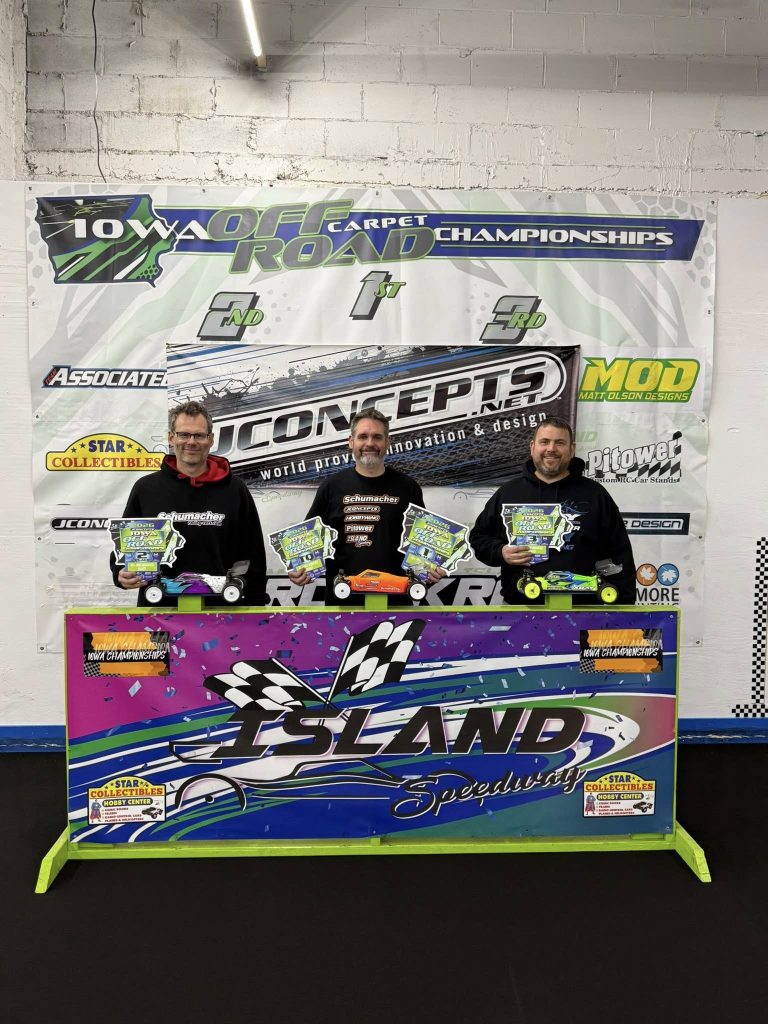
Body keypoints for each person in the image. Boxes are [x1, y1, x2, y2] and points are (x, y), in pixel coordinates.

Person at [112, 400, 267, 606]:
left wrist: (255, 607)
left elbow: (254, 555)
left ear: (210, 439)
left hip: (222, 613)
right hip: (160, 613)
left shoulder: (235, 489)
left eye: (199, 435)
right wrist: (120, 573)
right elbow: (123, 549)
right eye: (184, 434)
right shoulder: (146, 489)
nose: (191, 442)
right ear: (171, 438)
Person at [469, 416, 636, 604]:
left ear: (572, 449)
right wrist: (501, 552)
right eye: (544, 442)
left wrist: (625, 610)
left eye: (560, 443)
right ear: (532, 447)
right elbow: (479, 538)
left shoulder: (595, 494)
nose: (551, 449)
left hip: (584, 610)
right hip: (521, 608)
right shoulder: (509, 493)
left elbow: (621, 553)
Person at [289, 409, 442, 605]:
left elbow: (425, 542)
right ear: (351, 441)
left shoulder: (408, 487)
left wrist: (432, 569)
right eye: (363, 437)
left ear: (387, 442)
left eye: (377, 437)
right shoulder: (331, 487)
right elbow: (306, 541)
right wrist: (299, 568)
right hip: (343, 602)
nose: (369, 443)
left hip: (395, 600)